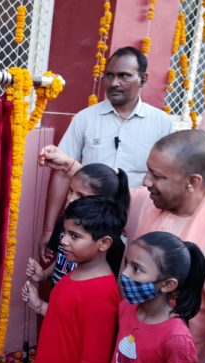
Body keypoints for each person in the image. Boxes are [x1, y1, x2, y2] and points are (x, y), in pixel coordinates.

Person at [38, 129, 205, 363]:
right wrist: (71, 166)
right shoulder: (145, 201)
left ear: (193, 182)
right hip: (123, 360)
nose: (148, 182)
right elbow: (108, 196)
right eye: (148, 171)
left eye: (158, 176)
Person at [38, 46, 171, 261]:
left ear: (143, 79)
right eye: (109, 75)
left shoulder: (162, 124)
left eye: (124, 76)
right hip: (85, 233)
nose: (114, 83)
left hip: (134, 232)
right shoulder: (86, 118)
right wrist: (48, 229)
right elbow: (62, 173)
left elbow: (164, 182)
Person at [20, 196, 126, 363]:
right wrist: (38, 305)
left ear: (104, 243)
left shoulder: (101, 294)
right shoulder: (78, 271)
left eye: (75, 236)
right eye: (65, 233)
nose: (64, 241)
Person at [91, 231, 205, 363]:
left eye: (137, 269)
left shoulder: (176, 338)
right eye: (127, 263)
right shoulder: (127, 307)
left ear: (168, 285)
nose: (125, 274)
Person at [26, 163, 130, 288]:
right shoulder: (63, 222)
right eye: (70, 191)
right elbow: (63, 259)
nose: (70, 199)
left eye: (81, 195)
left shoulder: (109, 243)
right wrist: (44, 275)